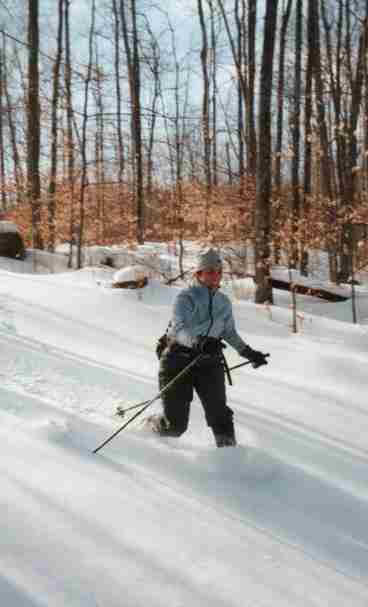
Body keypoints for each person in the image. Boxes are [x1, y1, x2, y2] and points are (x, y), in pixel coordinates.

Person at [147, 248, 269, 447]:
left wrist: (248, 352)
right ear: (199, 274)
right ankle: (152, 426)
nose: (216, 275)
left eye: (219, 271)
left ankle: (230, 460)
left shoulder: (223, 302)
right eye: (210, 271)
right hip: (178, 361)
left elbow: (228, 332)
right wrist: (199, 342)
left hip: (209, 363)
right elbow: (179, 329)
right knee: (175, 427)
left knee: (220, 417)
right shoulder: (186, 298)